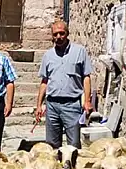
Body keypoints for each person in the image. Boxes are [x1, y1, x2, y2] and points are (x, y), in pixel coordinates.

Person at [35, 20, 93, 149]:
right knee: (52, 145)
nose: (58, 37)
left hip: (72, 105)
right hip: (52, 106)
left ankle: (73, 168)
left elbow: (86, 78)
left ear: (67, 33)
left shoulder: (79, 51)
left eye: (61, 33)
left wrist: (87, 101)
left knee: (73, 145)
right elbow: (44, 81)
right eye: (55, 34)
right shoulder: (48, 55)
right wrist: (39, 105)